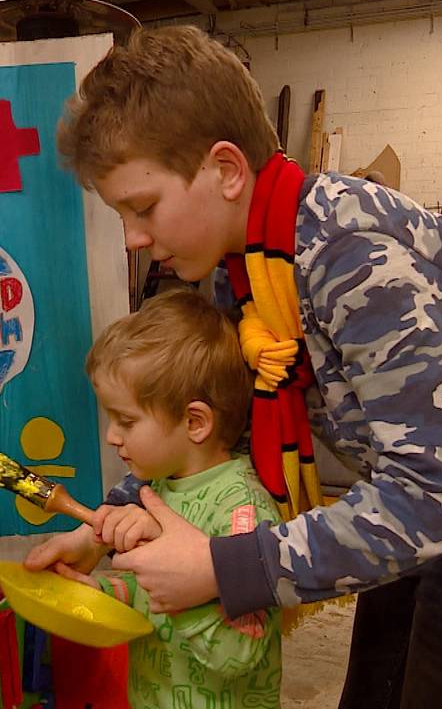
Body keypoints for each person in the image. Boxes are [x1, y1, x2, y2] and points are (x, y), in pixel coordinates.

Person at [26, 25, 442, 708]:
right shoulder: (243, 267)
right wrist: (112, 522)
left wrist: (223, 567)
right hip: (403, 495)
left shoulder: (358, 260)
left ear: (227, 170)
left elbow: (437, 500)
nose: (135, 238)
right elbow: (225, 420)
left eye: (143, 207)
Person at [52, 288, 282, 709]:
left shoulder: (243, 512)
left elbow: (240, 653)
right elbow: (148, 593)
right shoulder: (158, 489)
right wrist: (101, 590)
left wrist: (177, 596)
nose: (112, 436)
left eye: (126, 420)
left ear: (195, 422)